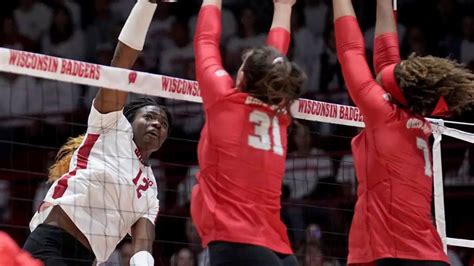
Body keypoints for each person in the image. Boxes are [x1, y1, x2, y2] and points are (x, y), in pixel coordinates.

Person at [23, 0, 172, 265]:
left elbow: (142, 243)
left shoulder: (151, 191)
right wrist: (148, 4)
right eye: (149, 117)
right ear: (129, 119)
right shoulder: (111, 127)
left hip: (88, 260)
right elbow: (120, 63)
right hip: (52, 244)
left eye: (163, 123)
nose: (157, 124)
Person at [331, 0, 474, 265]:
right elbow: (387, 57)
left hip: (394, 252)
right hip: (428, 253)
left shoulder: (382, 113)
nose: (397, 66)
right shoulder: (417, 119)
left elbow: (350, 50)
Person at [191, 0, 306, 266]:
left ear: (242, 78)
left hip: (236, 242)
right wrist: (284, 7)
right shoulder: (279, 110)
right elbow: (275, 57)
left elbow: (206, 40)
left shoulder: (224, 100)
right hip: (278, 247)